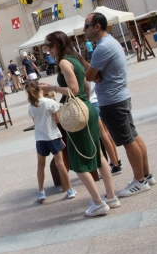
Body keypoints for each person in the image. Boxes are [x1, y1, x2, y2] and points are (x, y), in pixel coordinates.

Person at [39, 31, 118, 216]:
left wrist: (52, 88)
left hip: (78, 113)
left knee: (77, 160)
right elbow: (85, 86)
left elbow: (74, 89)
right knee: (98, 155)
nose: (47, 50)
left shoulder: (65, 62)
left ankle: (98, 203)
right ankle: (111, 197)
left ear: (58, 44)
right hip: (87, 107)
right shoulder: (76, 59)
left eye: (49, 46)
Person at [84, 12, 155, 198]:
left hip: (112, 101)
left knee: (128, 141)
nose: (85, 30)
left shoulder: (103, 48)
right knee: (133, 135)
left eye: (87, 26)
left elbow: (89, 76)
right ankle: (146, 175)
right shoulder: (111, 42)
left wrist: (92, 72)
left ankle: (139, 181)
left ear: (97, 26)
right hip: (120, 97)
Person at [25, 80, 76, 204]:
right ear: (40, 89)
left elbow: (35, 121)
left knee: (40, 165)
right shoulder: (51, 103)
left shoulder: (31, 106)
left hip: (40, 138)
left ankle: (41, 191)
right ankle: (69, 189)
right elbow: (58, 120)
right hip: (53, 136)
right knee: (60, 163)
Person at [89, 80, 122, 176]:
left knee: (103, 134)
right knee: (107, 133)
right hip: (98, 100)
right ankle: (115, 160)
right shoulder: (89, 68)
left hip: (91, 101)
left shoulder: (83, 72)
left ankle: (115, 165)